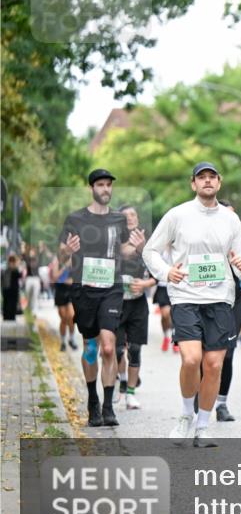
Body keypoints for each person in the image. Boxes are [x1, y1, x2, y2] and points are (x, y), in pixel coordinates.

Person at [142, 162, 241, 447]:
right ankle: (185, 415)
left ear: (219, 182)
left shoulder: (230, 219)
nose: (207, 181)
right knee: (191, 360)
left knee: (213, 365)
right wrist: (166, 273)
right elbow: (150, 250)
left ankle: (203, 426)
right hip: (186, 297)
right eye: (201, 178)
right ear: (193, 184)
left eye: (211, 177)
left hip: (220, 299)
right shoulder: (177, 215)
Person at [59, 169, 147, 427]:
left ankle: (109, 406)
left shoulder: (119, 219)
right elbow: (62, 257)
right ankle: (92, 401)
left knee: (109, 346)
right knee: (90, 348)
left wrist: (139, 248)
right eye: (101, 184)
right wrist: (67, 249)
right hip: (84, 290)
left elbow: (123, 251)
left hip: (111, 288)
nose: (106, 189)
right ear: (91, 188)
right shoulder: (75, 219)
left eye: (109, 185)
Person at [214, 200, 241, 422]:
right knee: (206, 354)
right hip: (207, 301)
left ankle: (221, 403)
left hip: (234, 300)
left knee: (228, 353)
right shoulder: (205, 239)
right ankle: (198, 396)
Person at [114, 205, 156, 410]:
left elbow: (159, 273)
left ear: (138, 219)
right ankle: (122, 381)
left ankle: (130, 393)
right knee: (118, 349)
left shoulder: (149, 244)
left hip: (138, 303)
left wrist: (145, 284)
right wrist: (138, 247)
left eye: (133, 215)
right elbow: (123, 254)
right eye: (125, 216)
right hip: (116, 303)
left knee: (136, 349)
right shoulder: (113, 241)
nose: (129, 218)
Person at [51, 252, 77, 350]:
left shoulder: (75, 259)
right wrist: (65, 266)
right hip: (60, 291)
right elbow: (54, 277)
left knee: (71, 316)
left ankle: (71, 338)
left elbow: (76, 278)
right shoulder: (57, 261)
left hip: (71, 291)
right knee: (64, 318)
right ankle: (63, 342)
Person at [152, 254, 175, 353]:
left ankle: (175, 337)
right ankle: (166, 336)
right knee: (165, 314)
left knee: (174, 314)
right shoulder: (161, 247)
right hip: (163, 286)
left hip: (177, 286)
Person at [1, 254, 20, 321]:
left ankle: (12, 316)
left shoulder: (16, 270)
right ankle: (6, 316)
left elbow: (19, 276)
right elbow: (2, 279)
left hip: (14, 289)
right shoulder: (5, 269)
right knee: (6, 303)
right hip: (6, 289)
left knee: (13, 303)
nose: (11, 263)